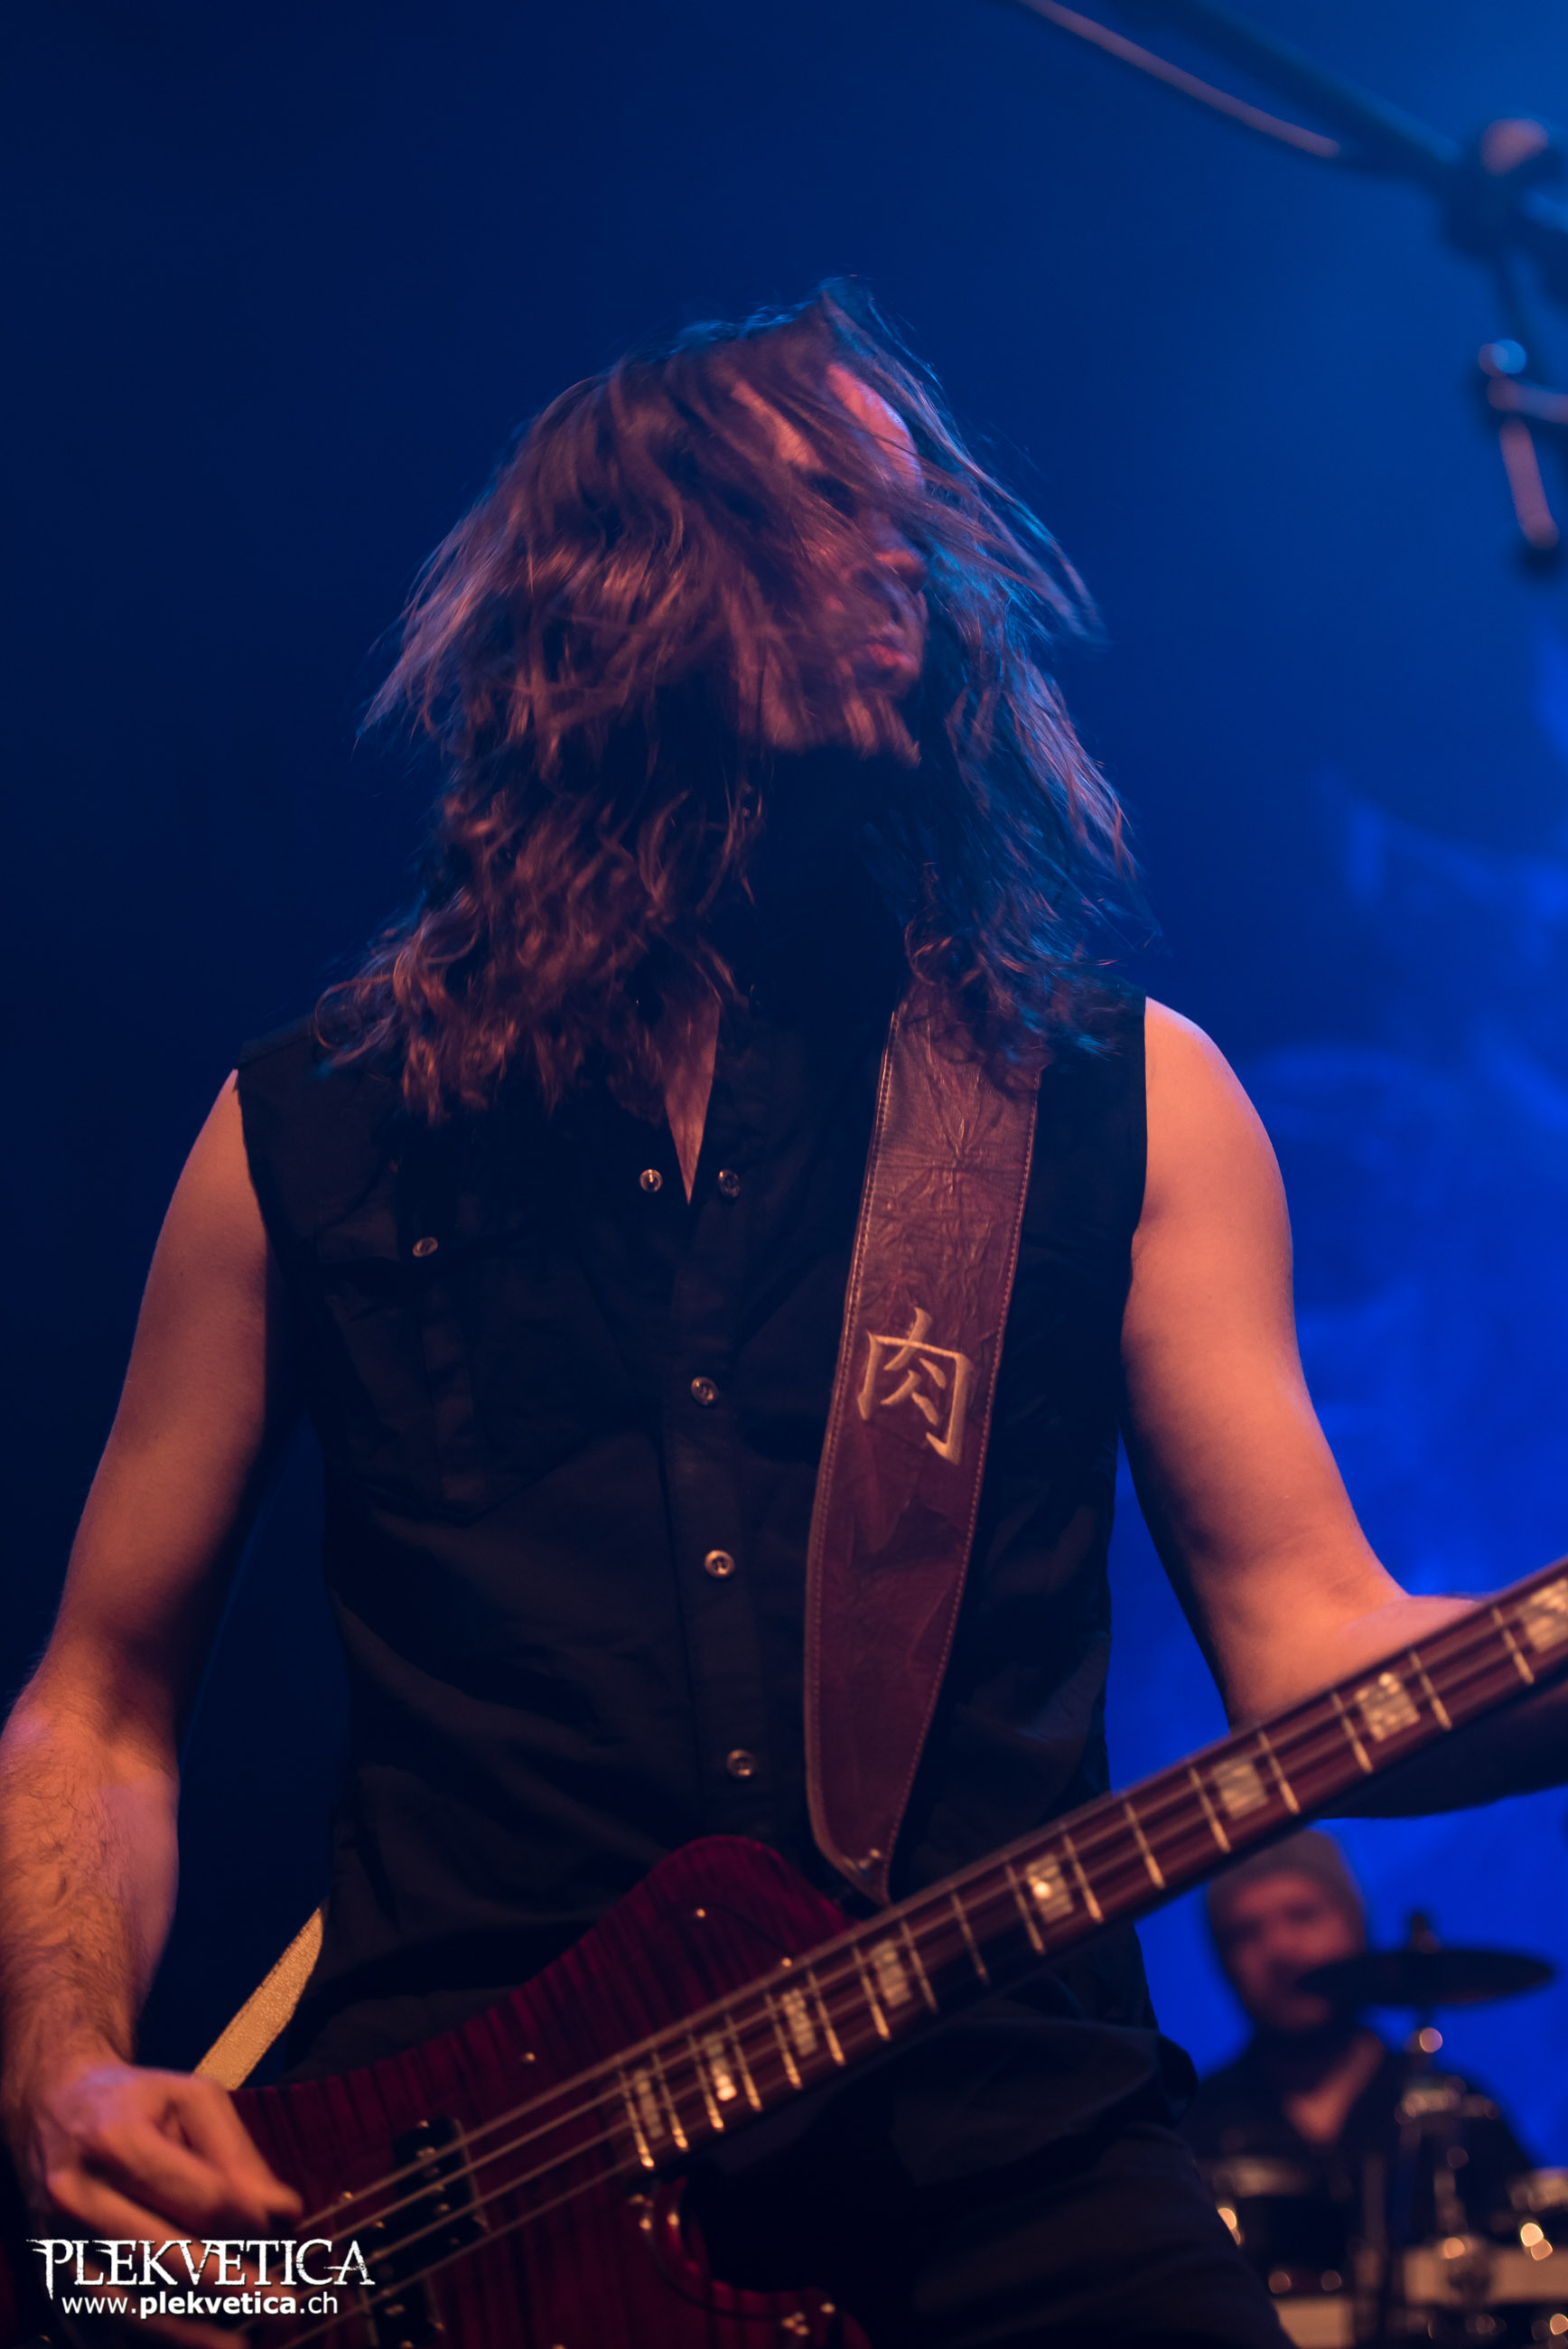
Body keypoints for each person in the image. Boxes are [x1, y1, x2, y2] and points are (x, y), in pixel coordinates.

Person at [1, 285, 1563, 2349]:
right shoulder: (307, 1133)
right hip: (423, 2214)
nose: (897, 558)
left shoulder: (1118, 1096)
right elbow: (99, 1705)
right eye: (820, 507)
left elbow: (1313, 1647)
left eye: (910, 518)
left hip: (1015, 2162)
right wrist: (65, 2072)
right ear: (617, 590)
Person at [1181, 1834, 1532, 2294]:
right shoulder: (1192, 2129)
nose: (1279, 1949)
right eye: (1245, 1934)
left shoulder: (1458, 2113)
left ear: (1356, 1926)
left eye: (1302, 1916)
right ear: (1223, 1965)